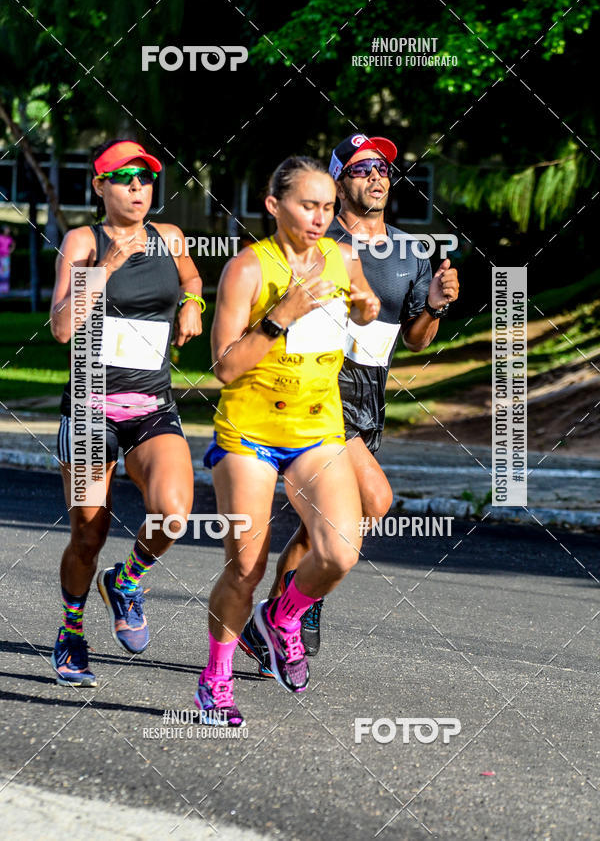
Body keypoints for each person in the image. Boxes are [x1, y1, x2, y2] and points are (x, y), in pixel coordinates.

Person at [240, 132, 460, 672]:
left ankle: (271, 618)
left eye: (384, 167)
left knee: (324, 518)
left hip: (372, 396)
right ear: (339, 181)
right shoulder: (319, 243)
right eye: (362, 168)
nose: (377, 176)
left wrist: (434, 306)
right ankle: (293, 610)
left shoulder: (410, 251)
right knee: (376, 501)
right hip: (325, 388)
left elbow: (415, 339)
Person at [195, 155, 380, 726]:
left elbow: (363, 306)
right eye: (307, 205)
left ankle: (284, 616)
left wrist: (367, 308)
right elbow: (224, 368)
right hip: (250, 432)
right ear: (275, 205)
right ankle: (215, 681)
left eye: (327, 206)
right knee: (246, 570)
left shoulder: (342, 257)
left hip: (318, 428)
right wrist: (282, 314)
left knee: (340, 552)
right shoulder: (248, 269)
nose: (320, 217)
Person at [50, 138, 204, 687]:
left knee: (174, 513)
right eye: (124, 177)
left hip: (152, 407)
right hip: (91, 408)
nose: (138, 186)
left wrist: (193, 303)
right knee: (87, 538)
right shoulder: (81, 241)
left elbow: (189, 275)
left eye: (145, 177)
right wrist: (107, 267)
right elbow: (63, 328)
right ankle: (71, 634)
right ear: (100, 186)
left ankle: (128, 580)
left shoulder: (170, 237)